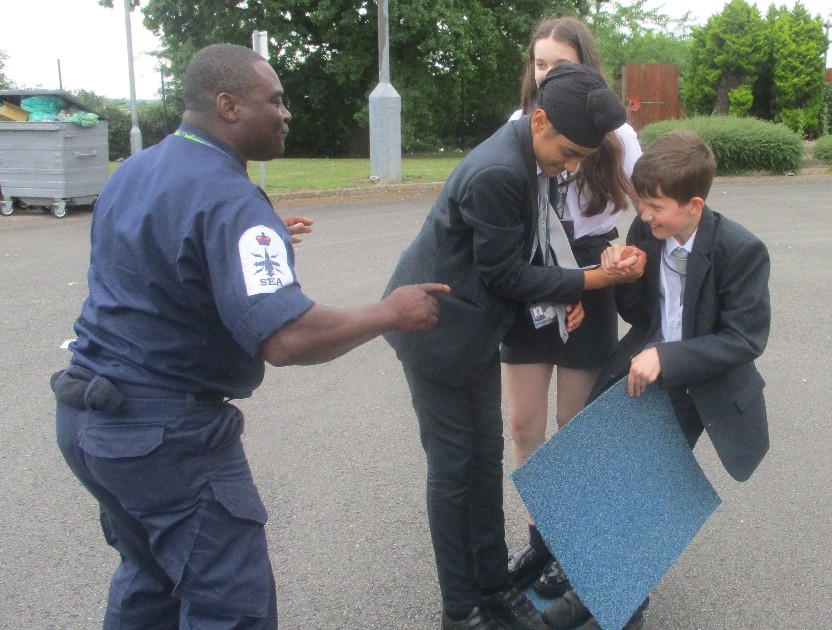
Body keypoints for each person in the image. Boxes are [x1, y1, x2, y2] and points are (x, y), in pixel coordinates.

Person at [51, 43, 447, 630]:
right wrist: (389, 311)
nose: (286, 113)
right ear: (229, 105)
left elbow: (157, 263)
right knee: (228, 606)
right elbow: (286, 337)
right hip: (163, 438)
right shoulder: (229, 200)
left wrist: (247, 242)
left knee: (150, 582)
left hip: (89, 424)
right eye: (277, 100)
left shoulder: (138, 169)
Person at [382, 63, 645, 630]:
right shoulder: (500, 171)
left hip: (474, 331)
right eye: (569, 153)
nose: (571, 166)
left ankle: (495, 590)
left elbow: (537, 243)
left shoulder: (531, 153)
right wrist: (590, 282)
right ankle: (462, 608)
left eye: (581, 157)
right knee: (456, 473)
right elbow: (505, 274)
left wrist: (568, 285)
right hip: (437, 334)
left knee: (484, 463)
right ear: (541, 118)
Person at [542, 129, 772, 630]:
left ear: (694, 203)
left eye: (654, 206)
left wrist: (668, 358)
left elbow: (745, 340)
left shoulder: (741, 249)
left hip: (699, 385)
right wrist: (622, 274)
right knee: (601, 472)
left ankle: (619, 606)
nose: (644, 216)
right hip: (646, 369)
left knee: (641, 489)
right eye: (641, 204)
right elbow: (640, 314)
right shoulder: (648, 235)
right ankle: (590, 579)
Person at [502, 16, 642, 600]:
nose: (545, 75)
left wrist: (623, 253)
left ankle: (574, 544)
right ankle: (542, 541)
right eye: (538, 64)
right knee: (523, 424)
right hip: (533, 273)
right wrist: (551, 287)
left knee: (574, 426)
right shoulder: (518, 128)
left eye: (559, 66)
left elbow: (650, 204)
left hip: (592, 268)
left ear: (586, 69)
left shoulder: (618, 135)